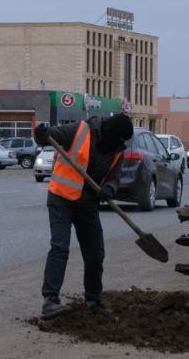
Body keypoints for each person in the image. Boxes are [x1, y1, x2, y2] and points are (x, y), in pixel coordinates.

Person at [34, 113, 134, 319]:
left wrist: (109, 188)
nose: (121, 144)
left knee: (95, 252)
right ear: (110, 133)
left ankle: (93, 301)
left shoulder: (117, 149)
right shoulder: (79, 130)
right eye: (120, 139)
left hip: (87, 203)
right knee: (60, 247)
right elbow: (50, 136)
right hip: (61, 197)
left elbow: (115, 176)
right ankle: (50, 301)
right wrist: (41, 134)